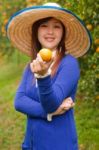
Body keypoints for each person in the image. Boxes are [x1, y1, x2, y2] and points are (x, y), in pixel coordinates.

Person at [6, 2, 91, 150]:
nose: (50, 31)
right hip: (31, 144)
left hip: (58, 144)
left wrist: (43, 76)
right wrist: (50, 113)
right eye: (44, 25)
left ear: (63, 32)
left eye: (56, 26)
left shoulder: (69, 64)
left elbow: (51, 102)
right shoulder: (31, 66)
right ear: (36, 30)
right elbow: (19, 101)